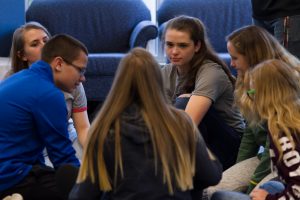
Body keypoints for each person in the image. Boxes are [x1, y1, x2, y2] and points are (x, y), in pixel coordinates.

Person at [69, 47, 222, 200]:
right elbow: (212, 176)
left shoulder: (104, 129)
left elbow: (83, 195)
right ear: (158, 81)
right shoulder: (181, 123)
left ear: (119, 83)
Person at [205, 25, 300, 199]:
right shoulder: (248, 79)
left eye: (235, 58)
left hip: (281, 160)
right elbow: (250, 132)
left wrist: (252, 186)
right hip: (267, 156)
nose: (231, 64)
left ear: (253, 56)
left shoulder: (281, 85)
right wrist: (238, 171)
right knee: (213, 191)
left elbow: (277, 147)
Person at [0, 34, 88, 200]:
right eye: (80, 70)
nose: (82, 78)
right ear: (59, 63)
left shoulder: (20, 78)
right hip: (10, 176)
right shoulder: (48, 94)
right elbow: (62, 156)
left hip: (15, 169)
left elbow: (36, 151)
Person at [160, 15, 245, 170]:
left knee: (184, 104)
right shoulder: (165, 72)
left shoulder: (211, 71)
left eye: (183, 46)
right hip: (195, 141)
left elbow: (188, 124)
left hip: (230, 147)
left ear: (197, 46)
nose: (174, 52)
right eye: (169, 45)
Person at [5, 21, 90, 161]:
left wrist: (97, 152)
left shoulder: (74, 79)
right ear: (22, 55)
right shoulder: (14, 80)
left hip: (66, 134)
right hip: (32, 145)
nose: (44, 46)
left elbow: (83, 128)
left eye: (46, 41)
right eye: (35, 44)